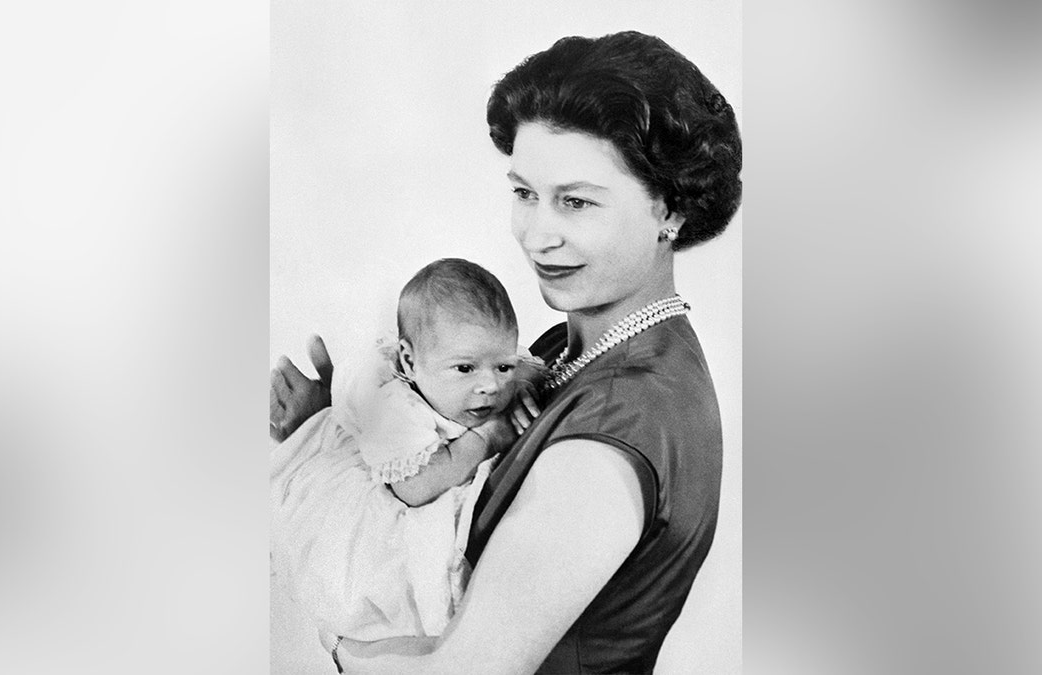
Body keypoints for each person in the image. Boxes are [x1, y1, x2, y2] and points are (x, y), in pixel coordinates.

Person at [270, 30, 741, 673]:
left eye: (575, 202)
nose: (537, 234)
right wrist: (342, 429)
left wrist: (339, 636)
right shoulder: (571, 347)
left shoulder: (615, 435)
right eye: (524, 193)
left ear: (671, 212)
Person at [270, 258, 539, 643]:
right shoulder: (397, 410)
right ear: (410, 362)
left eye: (503, 366)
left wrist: (523, 380)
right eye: (465, 369)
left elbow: (522, 368)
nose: (491, 386)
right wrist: (485, 438)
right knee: (389, 582)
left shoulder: (479, 368)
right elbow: (413, 488)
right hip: (382, 494)